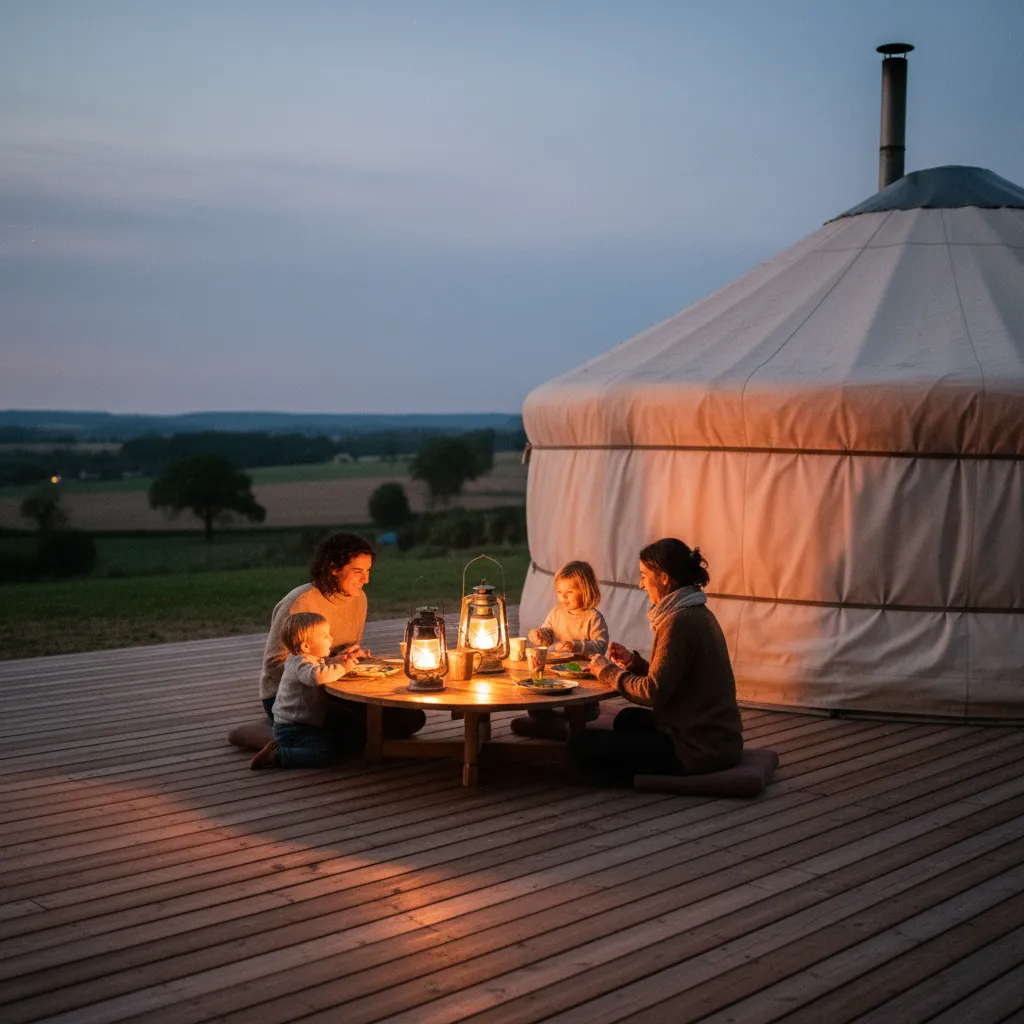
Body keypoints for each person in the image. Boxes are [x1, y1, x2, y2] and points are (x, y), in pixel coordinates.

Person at [568, 538, 743, 785]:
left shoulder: (678, 622)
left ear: (663, 578)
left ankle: (634, 778)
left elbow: (653, 693)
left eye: (644, 575)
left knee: (580, 746)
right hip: (715, 737)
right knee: (628, 719)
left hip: (696, 748)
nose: (640, 584)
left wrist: (606, 671)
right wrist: (633, 664)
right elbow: (675, 678)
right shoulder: (695, 611)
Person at [229, 531, 424, 753]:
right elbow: (274, 664)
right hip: (295, 695)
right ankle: (273, 732)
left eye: (368, 571)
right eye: (357, 571)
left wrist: (352, 656)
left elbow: (339, 650)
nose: (366, 579)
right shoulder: (301, 602)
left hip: (335, 686)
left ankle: (292, 729)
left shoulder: (359, 599)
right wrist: (331, 664)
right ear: (333, 567)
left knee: (411, 719)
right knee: (357, 732)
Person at [250, 612, 361, 769]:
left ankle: (287, 745)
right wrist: (342, 667)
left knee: (339, 733)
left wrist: (337, 660)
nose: (330, 638)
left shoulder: (304, 658)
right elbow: (315, 676)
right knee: (324, 753)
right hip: (295, 726)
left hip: (303, 721)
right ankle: (278, 755)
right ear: (306, 646)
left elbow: (320, 665)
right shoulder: (302, 664)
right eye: (325, 636)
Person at [512, 560, 609, 739]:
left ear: (586, 591)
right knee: (536, 706)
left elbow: (601, 645)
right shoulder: (557, 613)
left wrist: (578, 646)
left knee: (578, 707)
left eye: (569, 592)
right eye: (559, 592)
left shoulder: (593, 618)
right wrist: (540, 634)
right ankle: (560, 726)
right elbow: (548, 633)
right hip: (555, 673)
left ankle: (571, 728)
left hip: (583, 675)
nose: (563, 597)